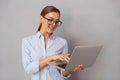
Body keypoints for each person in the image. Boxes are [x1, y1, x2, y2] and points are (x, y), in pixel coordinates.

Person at [22, 6, 84, 80]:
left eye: (57, 21)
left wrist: (71, 70)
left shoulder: (62, 43)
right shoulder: (27, 41)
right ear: (41, 18)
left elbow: (62, 73)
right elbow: (29, 69)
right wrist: (51, 58)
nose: (54, 24)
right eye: (50, 20)